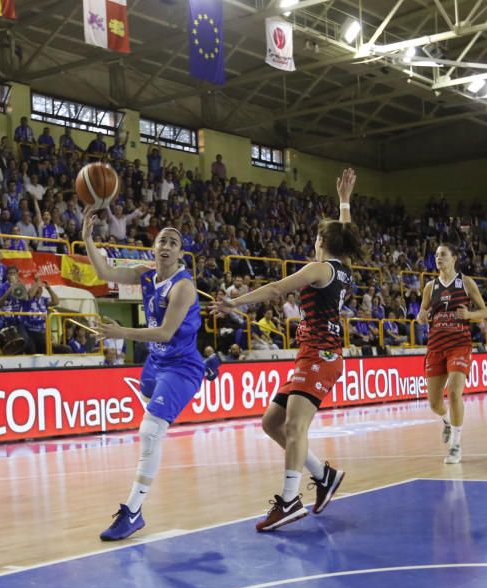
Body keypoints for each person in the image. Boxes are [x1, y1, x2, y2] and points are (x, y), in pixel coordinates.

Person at [212, 168, 360, 532]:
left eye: (316, 237)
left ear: (322, 242)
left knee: (294, 425)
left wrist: (236, 304)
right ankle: (323, 475)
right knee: (272, 423)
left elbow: (277, 288)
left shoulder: (319, 268)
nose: (314, 241)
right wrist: (343, 203)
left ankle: (291, 500)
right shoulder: (344, 268)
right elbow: (344, 234)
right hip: (314, 353)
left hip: (320, 356)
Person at [82, 210, 204, 541]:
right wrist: (88, 239)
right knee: (152, 417)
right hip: (154, 365)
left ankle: (133, 512)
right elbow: (104, 270)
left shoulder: (184, 287)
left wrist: (122, 331)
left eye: (174, 242)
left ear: (180, 253)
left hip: (181, 365)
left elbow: (164, 333)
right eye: (162, 239)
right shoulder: (146, 274)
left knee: (150, 431)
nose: (166, 244)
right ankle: (211, 370)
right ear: (153, 247)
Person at [416, 244, 487, 465]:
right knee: (435, 404)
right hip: (436, 346)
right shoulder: (430, 286)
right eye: (436, 256)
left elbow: (484, 312)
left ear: (454, 258)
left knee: (455, 393)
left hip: (460, 344)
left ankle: (456, 445)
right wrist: (421, 316)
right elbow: (423, 311)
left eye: (443, 255)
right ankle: (447, 421)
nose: (438, 258)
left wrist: (469, 314)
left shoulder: (466, 283)